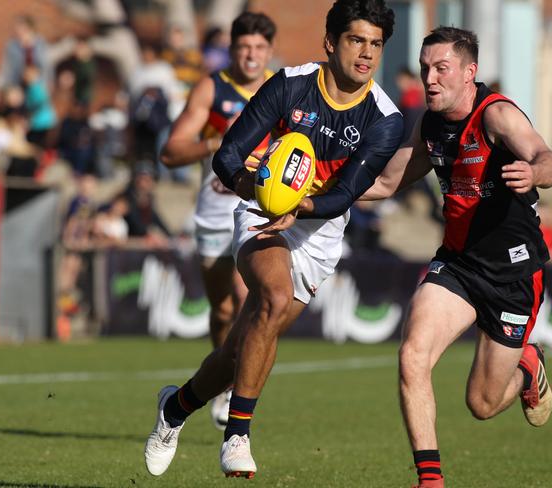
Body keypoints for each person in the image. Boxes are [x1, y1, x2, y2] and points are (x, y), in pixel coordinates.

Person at [144, 0, 403, 479]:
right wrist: (259, 191)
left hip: (321, 232)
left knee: (239, 351)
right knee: (273, 297)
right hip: (260, 212)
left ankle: (175, 408)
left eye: (375, 44)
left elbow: (346, 194)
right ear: (331, 42)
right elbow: (229, 154)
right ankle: (237, 435)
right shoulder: (290, 83)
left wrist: (300, 205)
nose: (366, 53)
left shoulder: (385, 118)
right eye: (356, 40)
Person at [360, 27, 552, 487]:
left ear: (469, 73)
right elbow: (387, 183)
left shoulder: (498, 116)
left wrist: (535, 172)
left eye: (441, 69)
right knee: (412, 355)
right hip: (458, 264)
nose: (429, 78)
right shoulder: (429, 124)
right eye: (426, 67)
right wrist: (313, 192)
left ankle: (527, 365)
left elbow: (548, 157)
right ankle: (430, 480)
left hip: (512, 273)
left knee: (483, 404)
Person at [158, 11, 276, 431]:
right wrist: (216, 140)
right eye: (244, 47)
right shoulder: (212, 88)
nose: (251, 55)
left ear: (269, 51)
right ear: (232, 50)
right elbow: (170, 152)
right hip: (213, 212)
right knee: (222, 309)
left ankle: (239, 408)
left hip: (258, 210)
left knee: (247, 302)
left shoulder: (280, 89)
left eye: (260, 48)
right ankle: (220, 381)